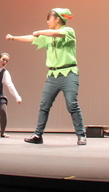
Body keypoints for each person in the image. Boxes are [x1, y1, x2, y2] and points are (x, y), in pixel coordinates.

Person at [6, 8, 86, 145]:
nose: (47, 22)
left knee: (72, 104)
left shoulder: (68, 31)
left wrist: (39, 32)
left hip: (69, 73)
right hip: (53, 75)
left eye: (49, 19)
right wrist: (13, 37)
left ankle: (81, 135)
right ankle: (38, 135)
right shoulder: (47, 36)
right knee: (44, 105)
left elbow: (55, 33)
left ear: (57, 19)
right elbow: (32, 38)